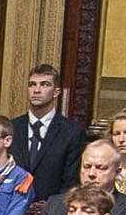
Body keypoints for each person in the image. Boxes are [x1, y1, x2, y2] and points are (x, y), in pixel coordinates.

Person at [12, 65, 86, 201]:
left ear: (56, 92)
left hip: (50, 209)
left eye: (44, 85)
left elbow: (71, 181)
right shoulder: (12, 127)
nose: (37, 90)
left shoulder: (72, 132)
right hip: (11, 207)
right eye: (32, 85)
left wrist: (56, 211)